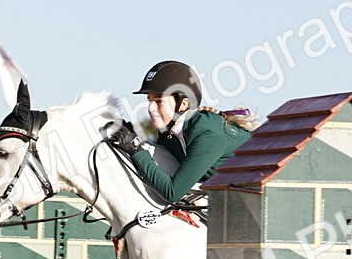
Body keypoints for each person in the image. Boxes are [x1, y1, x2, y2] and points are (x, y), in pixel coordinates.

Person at [103, 60, 255, 202]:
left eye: (158, 101)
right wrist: (136, 138)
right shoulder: (168, 131)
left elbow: (172, 193)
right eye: (149, 100)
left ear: (183, 104)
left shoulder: (207, 134)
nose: (150, 108)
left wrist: (135, 149)